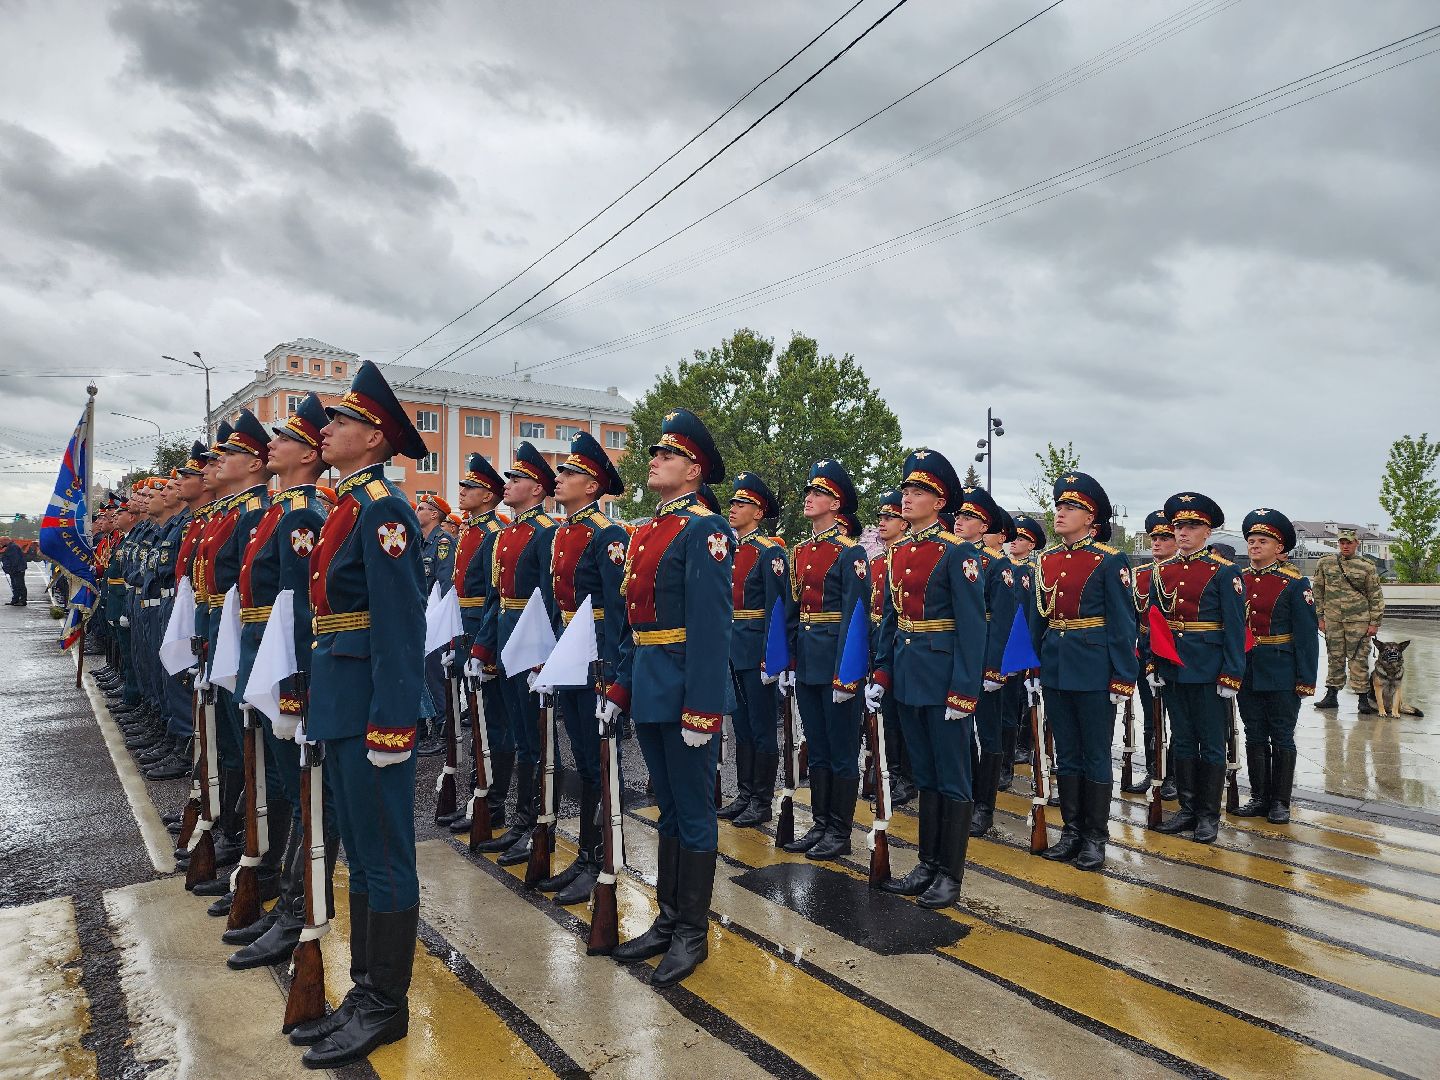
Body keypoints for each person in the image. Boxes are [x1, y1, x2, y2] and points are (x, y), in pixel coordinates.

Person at [291, 360, 429, 1068]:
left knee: (384, 857)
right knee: (365, 860)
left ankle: (387, 1004)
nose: (328, 429)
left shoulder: (382, 510)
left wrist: (392, 723)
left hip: (371, 709)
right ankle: (367, 990)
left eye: (342, 421)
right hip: (340, 702)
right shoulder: (347, 505)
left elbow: (401, 626)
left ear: (373, 439)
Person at [597, 407, 731, 987]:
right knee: (669, 807)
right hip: (652, 678)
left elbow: (711, 626)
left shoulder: (706, 530)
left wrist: (703, 707)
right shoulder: (649, 529)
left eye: (667, 454)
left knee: (695, 810)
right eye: (655, 453)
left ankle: (692, 932)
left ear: (694, 470)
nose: (654, 460)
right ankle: (670, 916)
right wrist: (622, 686)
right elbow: (635, 621)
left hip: (684, 686)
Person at [227, 393, 334, 969]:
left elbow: (301, 611)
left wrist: (293, 686)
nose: (273, 445)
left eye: (285, 439)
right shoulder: (279, 510)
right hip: (262, 655)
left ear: (309, 454)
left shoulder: (302, 515)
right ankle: (281, 890)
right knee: (279, 779)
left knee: (299, 791)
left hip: (286, 662)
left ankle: (296, 905)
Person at [871, 448, 986, 906]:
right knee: (925, 774)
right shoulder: (898, 553)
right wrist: (882, 671)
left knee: (953, 777)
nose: (907, 497)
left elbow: (973, 629)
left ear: (939, 502)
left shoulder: (957, 554)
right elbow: (890, 619)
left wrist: (964, 691)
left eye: (917, 492)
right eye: (906, 490)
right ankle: (926, 864)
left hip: (943, 678)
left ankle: (949, 874)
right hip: (908, 672)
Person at [539, 431, 629, 905]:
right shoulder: (563, 533)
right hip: (570, 651)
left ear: (592, 486)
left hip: (596, 654)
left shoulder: (607, 534)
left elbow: (617, 610)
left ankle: (599, 860)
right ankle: (586, 855)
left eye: (571, 473)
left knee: (599, 761)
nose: (560, 478)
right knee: (580, 756)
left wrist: (612, 673)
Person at [1030, 474, 1136, 871]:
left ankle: (1095, 837)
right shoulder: (1047, 560)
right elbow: (1037, 619)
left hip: (1093, 668)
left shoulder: (1110, 560)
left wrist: (1123, 676)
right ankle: (1071, 831)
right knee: (1067, 754)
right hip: (1056, 666)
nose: (1060, 512)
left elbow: (1123, 623)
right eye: (1059, 506)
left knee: (1094, 755)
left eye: (1070, 508)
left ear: (1091, 519)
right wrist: (1034, 667)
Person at [472, 443, 558, 867]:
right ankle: (522, 822)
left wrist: (545, 656)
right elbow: (495, 598)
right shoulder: (506, 534)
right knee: (520, 736)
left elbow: (551, 600)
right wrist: (482, 649)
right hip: (507, 639)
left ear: (538, 489)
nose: (508, 484)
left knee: (537, 739)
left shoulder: (546, 531)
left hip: (531, 642)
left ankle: (538, 822)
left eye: (517, 479)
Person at [781, 459, 870, 862]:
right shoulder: (800, 551)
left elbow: (856, 618)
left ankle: (840, 829)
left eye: (817, 494)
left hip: (836, 660)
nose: (808, 498)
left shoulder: (849, 553)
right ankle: (820, 823)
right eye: (808, 492)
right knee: (816, 747)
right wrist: (789, 661)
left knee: (841, 750)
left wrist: (847, 675)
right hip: (809, 659)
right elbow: (792, 611)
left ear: (836, 504)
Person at [1150, 492, 1246, 845]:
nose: (1183, 533)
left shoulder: (1224, 572)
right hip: (1174, 666)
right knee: (1184, 740)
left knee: (1212, 744)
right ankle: (1188, 809)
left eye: (1192, 526)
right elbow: (1154, 621)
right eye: (1178, 526)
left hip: (1209, 667)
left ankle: (1209, 815)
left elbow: (1235, 627)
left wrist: (1232, 673)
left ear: (1208, 532)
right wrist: (1153, 662)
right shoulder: (1164, 570)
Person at [1236, 510, 1319, 824]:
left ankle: (1280, 802)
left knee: (1281, 736)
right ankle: (1258, 797)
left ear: (1280, 548)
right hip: (1247, 670)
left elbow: (1307, 637)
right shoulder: (1239, 580)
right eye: (1252, 540)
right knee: (1254, 734)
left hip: (1282, 670)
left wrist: (1305, 679)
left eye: (1263, 541)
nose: (1255, 546)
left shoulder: (1296, 584)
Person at [446, 453, 511, 836]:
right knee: (476, 722)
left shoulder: (490, 534)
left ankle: (493, 798)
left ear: (487, 495)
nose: (462, 491)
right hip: (466, 629)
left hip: (486, 634)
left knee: (494, 724)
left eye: (469, 487)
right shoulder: (470, 531)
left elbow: (492, 596)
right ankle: (479, 793)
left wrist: (481, 648)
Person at [721, 471, 788, 829]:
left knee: (762, 728)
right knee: (742, 727)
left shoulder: (769, 552)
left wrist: (772, 657)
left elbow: (779, 609)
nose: (733, 508)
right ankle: (745, 793)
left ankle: (762, 800)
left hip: (757, 649)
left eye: (741, 503)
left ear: (758, 512)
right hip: (733, 648)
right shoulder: (730, 550)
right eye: (732, 502)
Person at [967, 498, 1019, 837]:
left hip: (985, 653)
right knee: (960, 732)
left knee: (988, 732)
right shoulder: (951, 555)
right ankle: (966, 795)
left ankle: (984, 806)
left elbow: (1003, 622)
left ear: (986, 526)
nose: (960, 521)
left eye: (970, 516)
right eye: (960, 514)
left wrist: (996, 668)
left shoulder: (996, 564)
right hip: (958, 653)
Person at [1127, 511, 1177, 798]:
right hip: (1144, 656)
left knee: (1178, 721)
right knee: (1152, 718)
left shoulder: (1181, 572)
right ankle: (1154, 770)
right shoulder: (1140, 575)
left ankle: (1175, 776)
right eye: (1154, 537)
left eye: (1165, 537)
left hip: (1176, 656)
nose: (1157, 543)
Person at [869, 488, 914, 806]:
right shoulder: (875, 562)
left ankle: (907, 777)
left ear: (905, 524)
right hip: (880, 645)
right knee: (887, 716)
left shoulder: (908, 558)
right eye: (880, 517)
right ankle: (892, 773)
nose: (883, 523)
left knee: (903, 718)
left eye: (890, 517)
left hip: (907, 645)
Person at [1312, 528, 1385, 713]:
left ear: (1356, 543)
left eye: (1349, 543)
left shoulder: (1366, 566)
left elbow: (1375, 595)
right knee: (1334, 657)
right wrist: (1320, 617)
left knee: (1358, 659)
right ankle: (1331, 695)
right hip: (1333, 619)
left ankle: (1362, 698)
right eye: (1342, 542)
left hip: (1359, 620)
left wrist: (1374, 622)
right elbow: (1318, 591)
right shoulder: (1326, 563)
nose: (1345, 546)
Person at [1000, 513, 1044, 791]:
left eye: (1022, 538)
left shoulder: (1033, 571)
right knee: (1006, 705)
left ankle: (1024, 745)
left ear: (1031, 545)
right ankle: (1005, 756)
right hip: (1002, 644)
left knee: (1022, 701)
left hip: (1023, 644)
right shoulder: (1003, 567)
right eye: (1014, 536)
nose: (1016, 542)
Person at [415, 494, 456, 758]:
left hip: (436, 618)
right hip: (421, 616)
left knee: (435, 676)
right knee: (424, 676)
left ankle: (443, 731)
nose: (416, 511)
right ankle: (428, 727)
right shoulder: (420, 542)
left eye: (421, 508)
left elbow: (444, 584)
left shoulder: (443, 542)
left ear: (434, 514)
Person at [1, 536, 26, 605]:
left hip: (17, 569)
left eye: (1, 541)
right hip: (15, 569)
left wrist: (11, 569)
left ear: (6, 540)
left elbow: (15, 559)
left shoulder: (13, 547)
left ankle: (22, 600)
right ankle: (15, 599)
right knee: (14, 585)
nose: (0, 543)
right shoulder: (10, 547)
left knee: (19, 585)